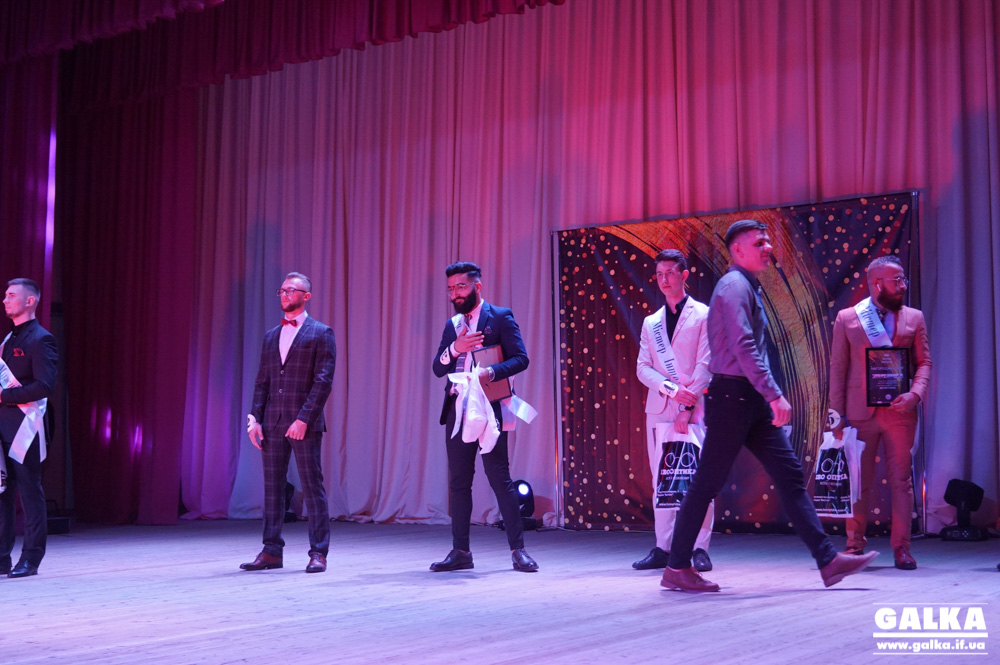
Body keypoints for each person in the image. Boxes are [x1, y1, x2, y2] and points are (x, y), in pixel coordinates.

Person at [660, 220, 878, 592]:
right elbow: (743, 345)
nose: (768, 248)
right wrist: (774, 393)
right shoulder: (734, 286)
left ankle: (828, 561)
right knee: (706, 483)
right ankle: (677, 566)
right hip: (734, 397)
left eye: (768, 242)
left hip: (748, 398)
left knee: (789, 477)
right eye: (760, 242)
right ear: (738, 250)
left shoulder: (744, 285)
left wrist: (765, 394)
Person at [430, 261, 537, 572]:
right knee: (459, 482)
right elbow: (438, 368)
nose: (455, 294)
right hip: (458, 409)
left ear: (477, 286)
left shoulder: (500, 317)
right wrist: (455, 347)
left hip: (490, 406)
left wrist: (490, 372)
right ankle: (461, 551)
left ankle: (518, 550)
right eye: (451, 288)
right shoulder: (452, 325)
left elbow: (521, 358)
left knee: (499, 478)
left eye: (461, 287)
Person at [829, 255, 931, 570]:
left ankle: (902, 548)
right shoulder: (847, 318)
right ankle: (854, 547)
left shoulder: (915, 317)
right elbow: (838, 368)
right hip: (859, 412)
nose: (903, 285)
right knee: (858, 482)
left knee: (901, 481)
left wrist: (916, 394)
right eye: (896, 280)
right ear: (877, 283)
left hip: (900, 412)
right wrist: (836, 415)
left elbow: (924, 362)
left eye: (903, 279)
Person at [243, 272, 336, 574]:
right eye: (281, 290)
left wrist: (303, 419)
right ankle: (271, 551)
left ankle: (318, 552)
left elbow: (323, 381)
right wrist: (255, 418)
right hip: (272, 422)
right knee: (273, 488)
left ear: (306, 296)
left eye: (291, 290)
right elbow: (263, 381)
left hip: (303, 423)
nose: (284, 294)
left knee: (312, 487)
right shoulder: (272, 335)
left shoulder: (321, 333)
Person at [634, 249, 714, 572]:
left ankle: (699, 547)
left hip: (694, 409)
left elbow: (706, 364)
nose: (664, 279)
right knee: (662, 478)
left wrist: (687, 405)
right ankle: (663, 547)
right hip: (659, 409)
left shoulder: (704, 314)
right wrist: (670, 390)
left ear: (684, 275)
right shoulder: (651, 322)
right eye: (659, 274)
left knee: (698, 477)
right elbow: (642, 368)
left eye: (670, 273)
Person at [0, 278, 59, 578]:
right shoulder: (8, 340)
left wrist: (4, 396)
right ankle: (1, 558)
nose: (5, 300)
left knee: (29, 491)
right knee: (1, 492)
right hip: (3, 426)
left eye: (11, 295)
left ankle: (31, 558)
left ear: (30, 301)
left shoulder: (41, 339)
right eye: (5, 295)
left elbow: (44, 386)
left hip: (26, 426)